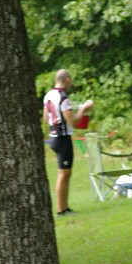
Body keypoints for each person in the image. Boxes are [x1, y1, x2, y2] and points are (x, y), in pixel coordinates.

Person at [43, 69, 93, 217]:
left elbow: (46, 118)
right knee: (64, 174)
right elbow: (73, 122)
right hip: (62, 138)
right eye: (70, 80)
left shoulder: (48, 95)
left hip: (53, 137)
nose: (70, 83)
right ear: (66, 80)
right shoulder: (63, 97)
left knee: (65, 173)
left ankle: (64, 208)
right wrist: (83, 109)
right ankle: (61, 210)